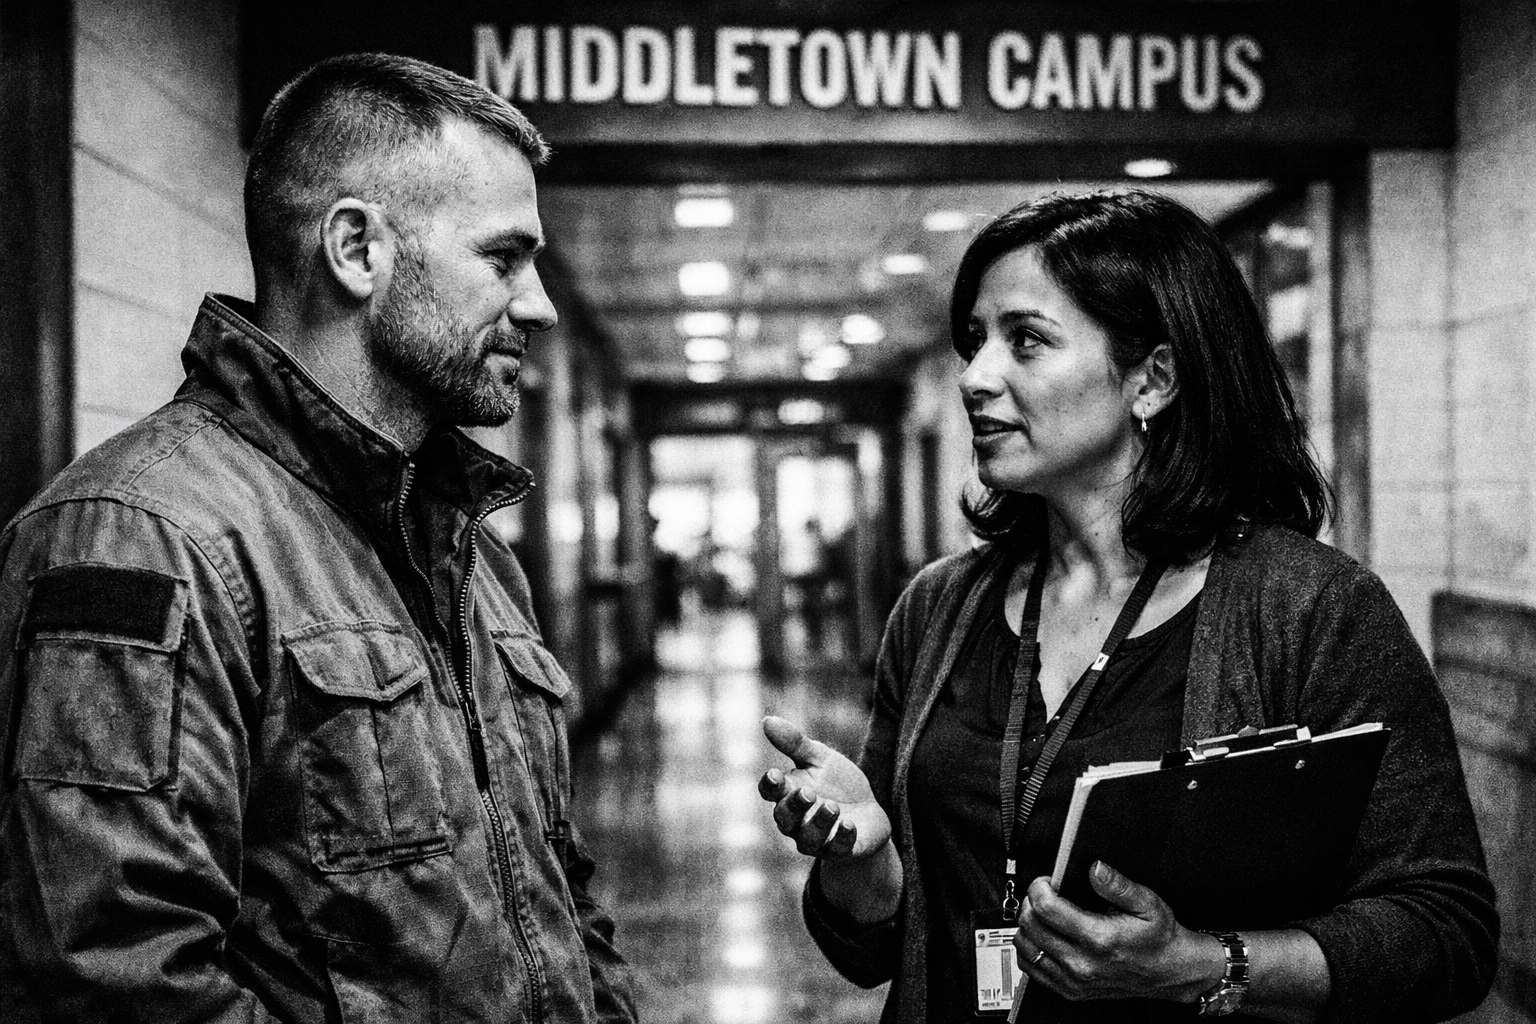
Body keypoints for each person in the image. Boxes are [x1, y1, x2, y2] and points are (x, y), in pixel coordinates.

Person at [758, 190, 1498, 1023]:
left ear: (1152, 378)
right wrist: (863, 858)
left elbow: (1446, 932)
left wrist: (1202, 966)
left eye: (1025, 341)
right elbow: (872, 949)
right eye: (974, 342)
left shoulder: (1311, 609)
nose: (973, 377)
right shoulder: (938, 610)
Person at [0, 54, 636, 1022]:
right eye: (505, 258)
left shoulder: (475, 557)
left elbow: (560, 895)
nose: (540, 303)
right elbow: (117, 986)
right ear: (355, 247)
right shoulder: (149, 540)